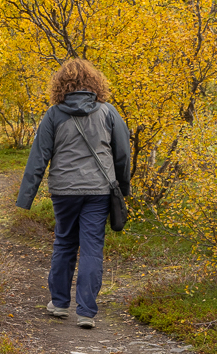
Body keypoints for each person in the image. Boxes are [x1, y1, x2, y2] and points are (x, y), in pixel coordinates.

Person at [16, 59, 131, 329]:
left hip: (64, 190)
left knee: (65, 242)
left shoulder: (54, 114)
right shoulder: (108, 112)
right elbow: (123, 154)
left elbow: (38, 158)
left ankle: (58, 303)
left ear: (60, 85)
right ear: (95, 83)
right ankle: (86, 312)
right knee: (92, 246)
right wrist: (123, 188)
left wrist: (26, 198)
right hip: (99, 190)